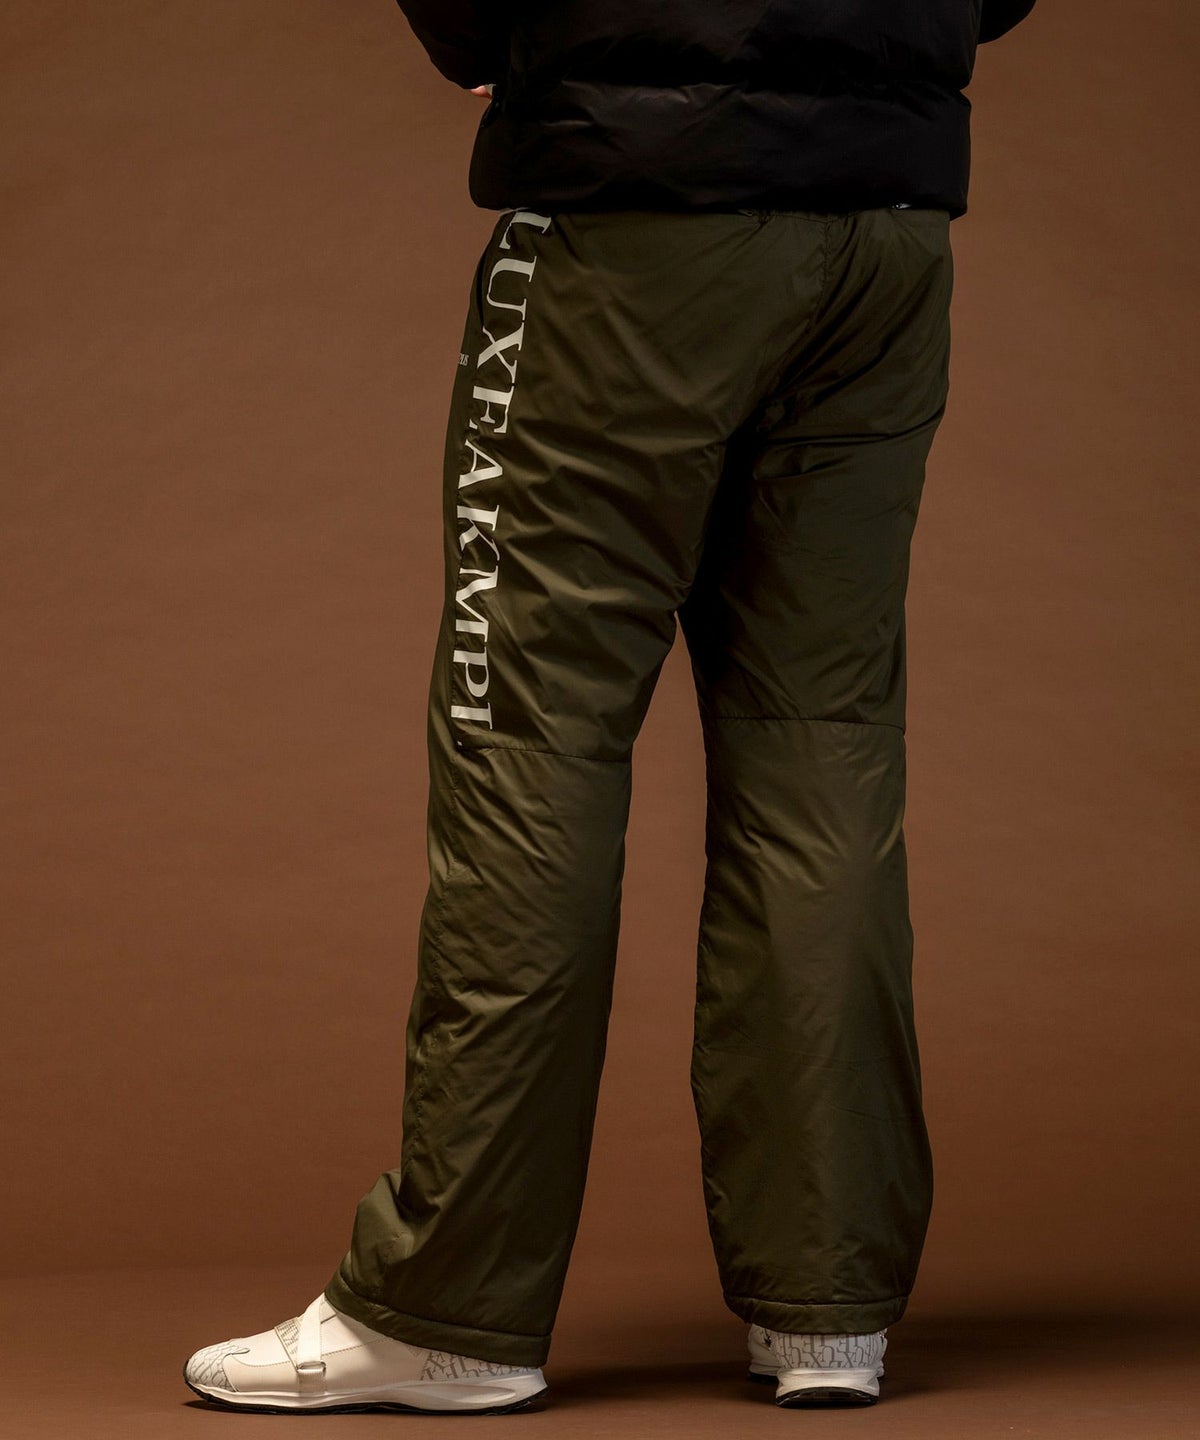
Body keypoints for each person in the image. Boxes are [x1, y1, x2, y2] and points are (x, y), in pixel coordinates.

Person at [183, 0, 1038, 1416]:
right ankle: (826, 1309)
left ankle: (452, 1311)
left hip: (641, 219)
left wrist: (512, 44)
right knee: (820, 747)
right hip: (886, 235)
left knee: (533, 745)